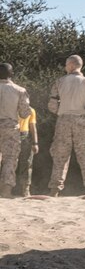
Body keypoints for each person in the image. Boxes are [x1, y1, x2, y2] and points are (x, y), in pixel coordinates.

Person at [47, 54, 85, 197]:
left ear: (71, 65)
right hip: (81, 120)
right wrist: (83, 114)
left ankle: (55, 190)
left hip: (63, 120)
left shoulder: (59, 82)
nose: (65, 67)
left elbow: (52, 105)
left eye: (66, 64)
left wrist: (62, 111)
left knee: (60, 155)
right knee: (84, 155)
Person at [0, 63, 31, 198]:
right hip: (10, 127)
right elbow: (25, 113)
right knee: (10, 159)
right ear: (11, 74)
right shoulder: (19, 90)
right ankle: (6, 191)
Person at [15, 107, 39, 197]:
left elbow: (33, 127)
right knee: (10, 162)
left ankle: (25, 189)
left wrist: (35, 142)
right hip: (11, 134)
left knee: (27, 163)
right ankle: (5, 188)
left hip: (25, 136)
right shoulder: (10, 108)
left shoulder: (31, 110)